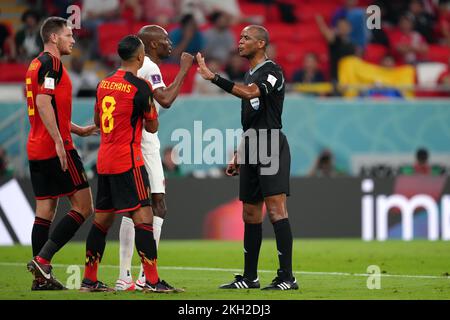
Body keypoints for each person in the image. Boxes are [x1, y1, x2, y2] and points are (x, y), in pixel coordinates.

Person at [196, 25, 298, 290]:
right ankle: (250, 278)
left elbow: (252, 92)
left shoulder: (273, 72)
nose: (239, 42)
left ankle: (287, 277)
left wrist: (214, 78)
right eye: (240, 38)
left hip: (271, 143)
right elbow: (250, 121)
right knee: (250, 213)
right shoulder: (249, 73)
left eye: (246, 38)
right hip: (252, 144)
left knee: (276, 210)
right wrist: (239, 152)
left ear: (261, 43)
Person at [81, 35, 182, 293]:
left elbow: (97, 119)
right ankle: (152, 280)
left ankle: (89, 280)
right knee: (145, 218)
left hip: (105, 160)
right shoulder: (140, 87)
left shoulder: (104, 83)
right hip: (129, 160)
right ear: (140, 57)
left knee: (101, 221)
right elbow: (152, 124)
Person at [115, 25, 194, 291]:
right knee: (158, 205)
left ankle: (125, 277)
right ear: (149, 45)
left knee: (133, 207)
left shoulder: (140, 66)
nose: (170, 44)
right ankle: (145, 278)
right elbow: (166, 99)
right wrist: (184, 69)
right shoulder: (150, 67)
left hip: (131, 138)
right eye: (165, 40)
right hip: (144, 140)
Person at [25, 17, 98, 291]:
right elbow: (44, 103)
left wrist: (77, 130)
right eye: (69, 35)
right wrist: (59, 140)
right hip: (56, 148)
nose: (73, 40)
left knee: (45, 210)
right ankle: (43, 259)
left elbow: (48, 109)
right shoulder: (53, 63)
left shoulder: (35, 64)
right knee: (83, 206)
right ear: (54, 37)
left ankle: (40, 279)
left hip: (36, 147)